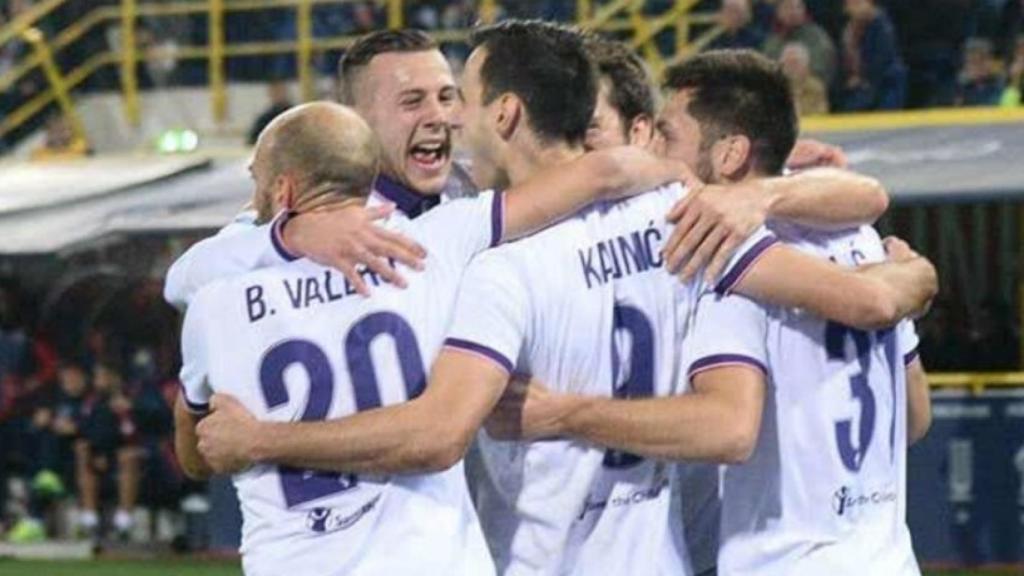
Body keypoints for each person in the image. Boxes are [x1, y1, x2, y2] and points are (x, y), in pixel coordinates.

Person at [191, 29, 934, 575]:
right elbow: (858, 227)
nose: (447, 118)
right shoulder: (672, 211)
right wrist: (899, 280)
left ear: (505, 115)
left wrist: (262, 437)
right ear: (355, 124)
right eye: (415, 100)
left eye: (457, 97)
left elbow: (437, 431)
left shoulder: (483, 254)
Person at [173, 92, 711, 574]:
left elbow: (203, 453)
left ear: (282, 190)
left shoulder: (212, 304)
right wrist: (677, 175)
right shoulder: (436, 243)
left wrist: (261, 440)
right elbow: (602, 174)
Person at [486, 51, 935, 576]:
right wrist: (918, 272)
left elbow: (727, 429)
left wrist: (562, 413)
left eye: (669, 135)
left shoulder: (718, 256)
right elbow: (915, 415)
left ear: (729, 155)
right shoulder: (859, 239)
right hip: (887, 558)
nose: (655, 150)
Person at [840, 0, 907, 111]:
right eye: (850, 5)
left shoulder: (882, 27)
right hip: (861, 89)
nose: (853, 9)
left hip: (886, 83)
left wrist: (863, 78)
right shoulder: (850, 31)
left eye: (857, 3)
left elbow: (881, 59)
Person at [762, 0, 838, 86]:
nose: (794, 12)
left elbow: (821, 70)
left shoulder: (817, 38)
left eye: (798, 7)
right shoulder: (772, 42)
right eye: (788, 7)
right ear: (778, 12)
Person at [781, 42, 830, 115]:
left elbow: (821, 113)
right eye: (787, 63)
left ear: (806, 66)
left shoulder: (815, 87)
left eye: (794, 63)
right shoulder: (775, 87)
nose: (790, 67)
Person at [957, 38, 1005, 107]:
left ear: (992, 61)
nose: (977, 65)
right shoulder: (959, 89)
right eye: (973, 61)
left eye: (982, 59)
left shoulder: (1001, 87)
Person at [247, 80, 294, 145]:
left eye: (280, 91)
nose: (277, 94)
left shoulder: (295, 114)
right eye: (274, 92)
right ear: (270, 94)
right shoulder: (264, 119)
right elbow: (252, 141)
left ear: (285, 92)